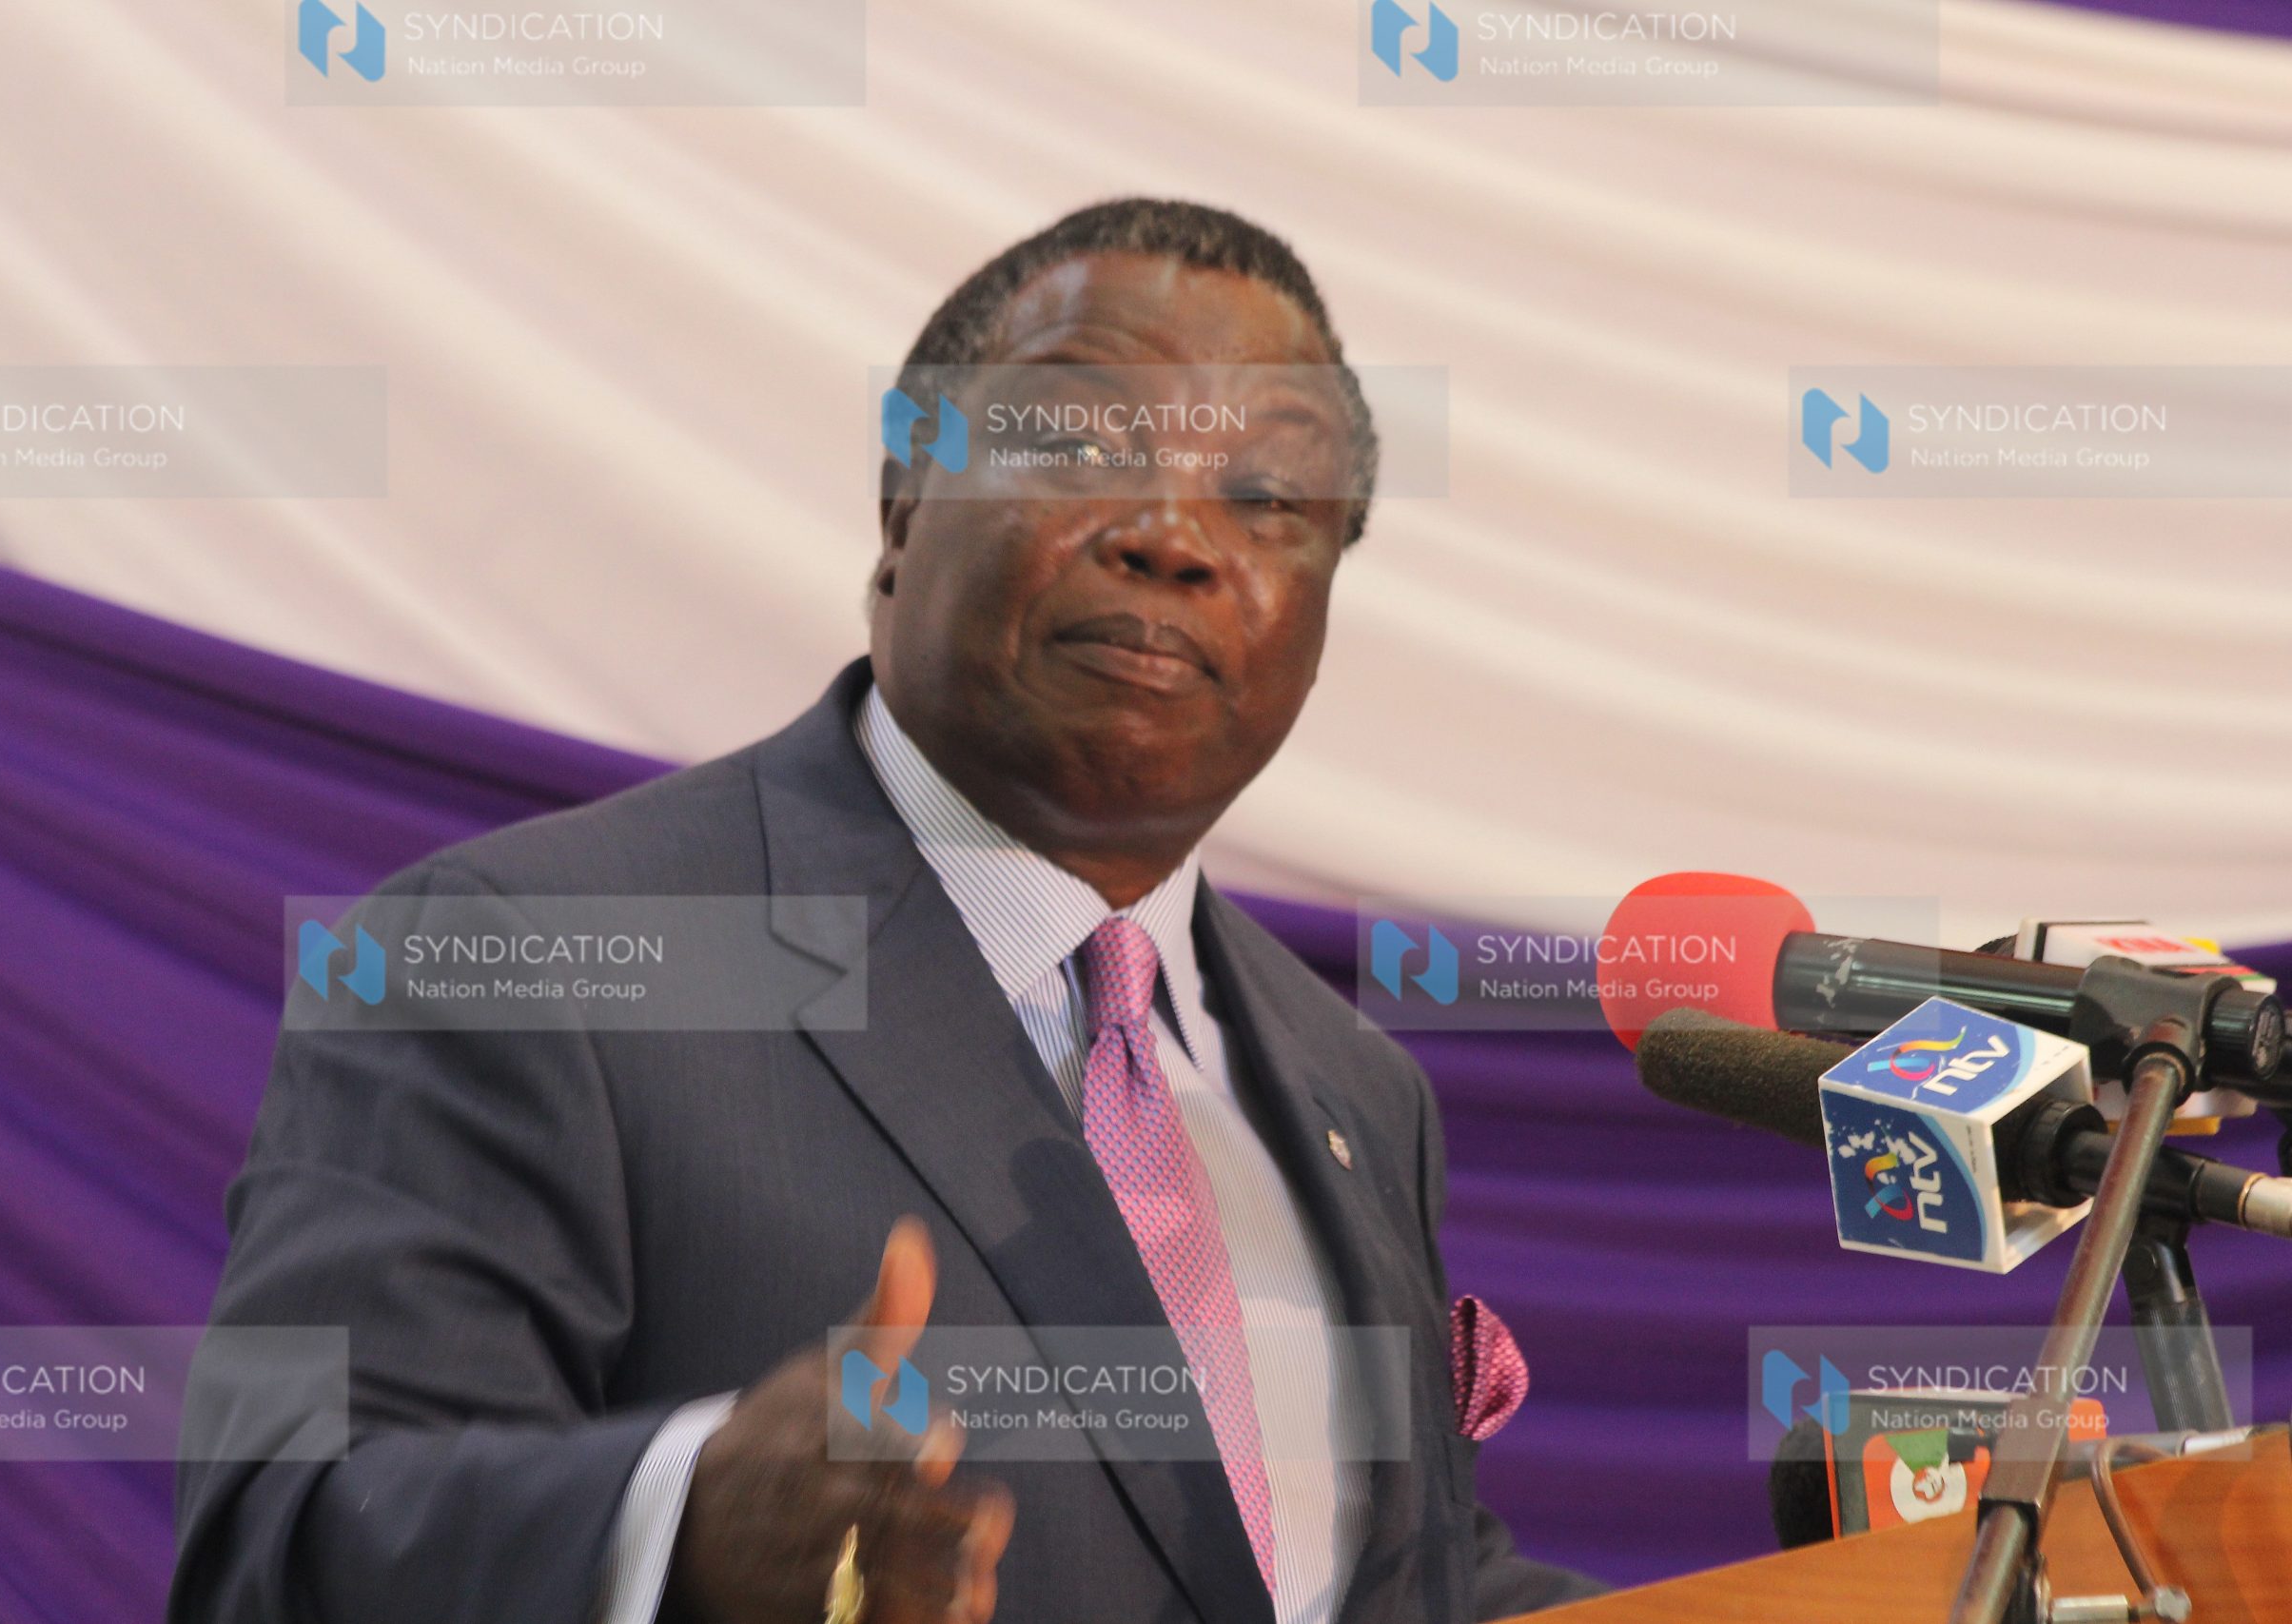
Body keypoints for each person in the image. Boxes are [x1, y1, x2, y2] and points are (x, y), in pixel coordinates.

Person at [172, 197, 1601, 1624]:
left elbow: (1392, 1585)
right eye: (1083, 447)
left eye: (1269, 500)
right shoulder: (517, 957)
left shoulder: (1357, 1089)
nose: (1178, 541)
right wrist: (677, 1524)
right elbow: (282, 1549)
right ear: (904, 495)